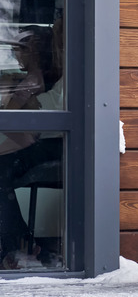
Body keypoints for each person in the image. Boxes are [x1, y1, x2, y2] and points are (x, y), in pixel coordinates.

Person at [0, 25, 63, 269]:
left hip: (47, 144)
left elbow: (20, 127)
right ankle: (18, 241)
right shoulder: (34, 80)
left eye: (21, 50)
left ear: (35, 52)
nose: (16, 56)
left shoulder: (33, 82)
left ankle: (17, 243)